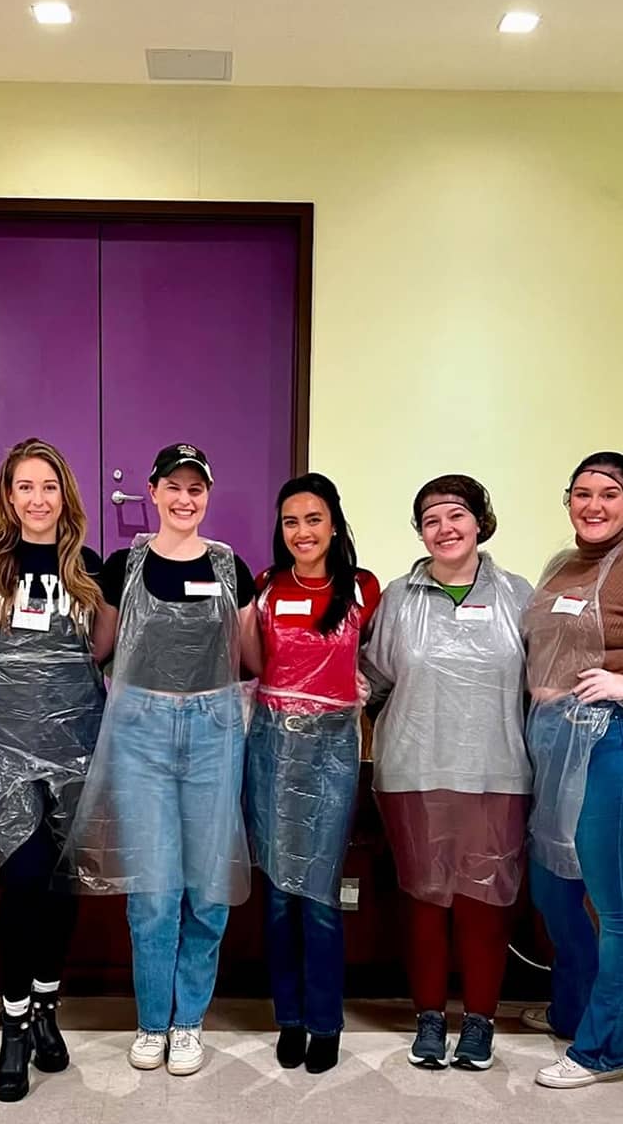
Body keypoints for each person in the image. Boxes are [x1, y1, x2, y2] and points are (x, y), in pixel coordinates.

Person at [67, 444, 260, 1076]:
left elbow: (252, 659)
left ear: (208, 495)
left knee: (207, 885)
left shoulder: (235, 570)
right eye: (173, 487)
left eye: (195, 489)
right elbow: (98, 648)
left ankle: (189, 1020)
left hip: (213, 732)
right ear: (152, 491)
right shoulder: (123, 566)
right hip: (140, 734)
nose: (184, 499)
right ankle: (153, 1021)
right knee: (152, 887)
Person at [361, 475, 532, 1071]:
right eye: (431, 520)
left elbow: (540, 682)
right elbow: (372, 682)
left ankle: (480, 1021)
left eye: (456, 515)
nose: (445, 528)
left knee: (486, 903)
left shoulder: (517, 595)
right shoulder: (399, 599)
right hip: (414, 771)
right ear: (420, 532)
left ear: (481, 521)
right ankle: (429, 1019)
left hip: (496, 772)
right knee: (424, 901)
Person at [0, 440, 107, 1103]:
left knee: (59, 884)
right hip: (4, 750)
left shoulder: (90, 567)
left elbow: (103, 654)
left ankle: (47, 1007)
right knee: (23, 879)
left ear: (64, 494)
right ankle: (14, 1021)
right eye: (25, 487)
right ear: (8, 495)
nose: (38, 498)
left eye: (48, 486)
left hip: (77, 746)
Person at [245, 474, 379, 1073]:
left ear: (334, 524)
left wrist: (364, 692)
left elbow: (379, 663)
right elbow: (246, 661)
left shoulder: (364, 590)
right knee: (277, 893)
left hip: (331, 750)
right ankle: (289, 1018)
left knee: (320, 893)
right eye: (291, 521)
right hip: (272, 745)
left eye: (314, 519)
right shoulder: (266, 587)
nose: (303, 532)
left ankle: (326, 1022)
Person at [524, 452, 623, 1088]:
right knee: (553, 886)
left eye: (610, 494)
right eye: (582, 494)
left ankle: (602, 1048)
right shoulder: (562, 563)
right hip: (554, 741)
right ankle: (572, 1009)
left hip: (610, 741)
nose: (594, 505)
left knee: (612, 906)